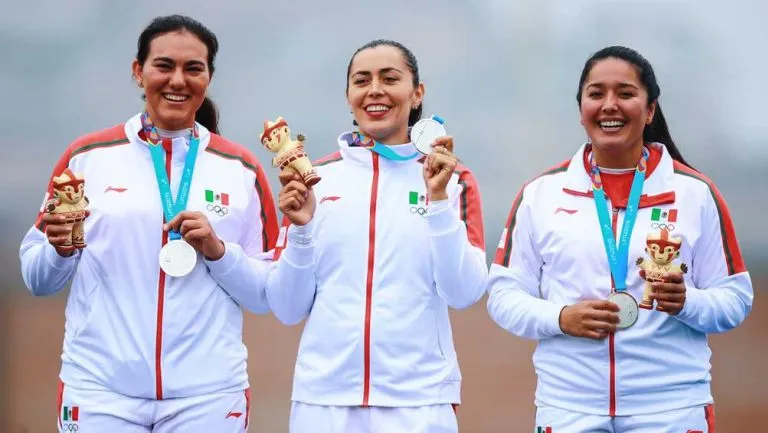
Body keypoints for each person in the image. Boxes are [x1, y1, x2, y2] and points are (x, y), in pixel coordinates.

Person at [19, 14, 311, 433]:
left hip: (207, 397)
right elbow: (38, 280)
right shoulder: (86, 158)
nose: (178, 80)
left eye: (193, 68)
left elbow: (264, 294)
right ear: (139, 72)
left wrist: (218, 251)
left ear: (208, 77)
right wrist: (60, 251)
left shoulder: (241, 169)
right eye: (163, 66)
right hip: (100, 392)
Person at [486, 45, 753, 433]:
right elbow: (503, 295)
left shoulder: (694, 193)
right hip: (569, 408)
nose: (609, 105)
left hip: (670, 410)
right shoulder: (541, 194)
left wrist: (687, 302)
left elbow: (735, 298)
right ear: (581, 111)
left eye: (625, 93)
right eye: (596, 94)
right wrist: (561, 318)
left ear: (649, 110)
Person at [267, 39, 488, 433]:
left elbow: (464, 292)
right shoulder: (314, 180)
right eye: (361, 80)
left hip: (419, 401)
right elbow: (286, 307)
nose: (375, 90)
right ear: (349, 95)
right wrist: (300, 230)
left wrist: (437, 201)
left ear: (417, 92)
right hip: (324, 401)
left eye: (390, 78)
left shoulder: (453, 180)